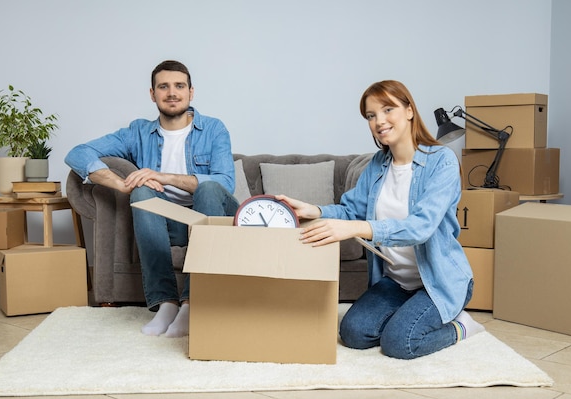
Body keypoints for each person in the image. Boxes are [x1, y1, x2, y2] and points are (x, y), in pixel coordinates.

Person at [277, 80, 485, 359]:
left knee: (400, 343)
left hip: (439, 280)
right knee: (353, 334)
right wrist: (314, 211)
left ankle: (462, 325)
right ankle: (408, 313)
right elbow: (351, 211)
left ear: (409, 110)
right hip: (396, 282)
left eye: (388, 109)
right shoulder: (377, 164)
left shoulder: (442, 162)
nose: (379, 121)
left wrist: (358, 228)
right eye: (371, 115)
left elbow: (420, 227)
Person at [65, 60, 239, 337]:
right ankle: (166, 304)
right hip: (168, 223)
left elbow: (226, 183)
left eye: (179, 86)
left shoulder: (214, 129)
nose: (172, 93)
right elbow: (78, 153)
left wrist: (164, 176)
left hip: (212, 215)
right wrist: (123, 184)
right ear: (152, 94)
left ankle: (192, 302)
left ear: (191, 92)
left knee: (206, 189)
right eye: (164, 87)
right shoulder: (137, 132)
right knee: (142, 190)